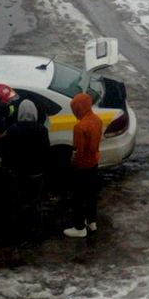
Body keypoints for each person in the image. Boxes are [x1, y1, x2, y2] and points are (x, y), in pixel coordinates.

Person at [3, 99, 50, 240]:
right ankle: (35, 233)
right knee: (35, 203)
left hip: (18, 174)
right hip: (36, 173)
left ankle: (18, 232)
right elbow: (46, 152)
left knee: (17, 203)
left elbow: (8, 152)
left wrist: (8, 168)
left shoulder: (12, 130)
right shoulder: (42, 130)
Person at [63, 92, 102, 238]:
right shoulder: (97, 120)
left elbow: (78, 151)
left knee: (78, 197)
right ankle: (92, 222)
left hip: (82, 167)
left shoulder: (80, 127)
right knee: (91, 194)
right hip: (94, 162)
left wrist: (73, 164)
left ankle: (79, 227)